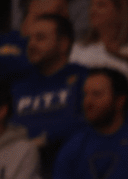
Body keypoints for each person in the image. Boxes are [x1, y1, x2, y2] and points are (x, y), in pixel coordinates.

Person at [11, 12, 88, 153]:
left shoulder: (84, 79)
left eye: (40, 38)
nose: (31, 44)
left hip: (71, 160)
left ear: (63, 44)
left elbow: (93, 123)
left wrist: (48, 138)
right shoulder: (19, 87)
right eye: (30, 39)